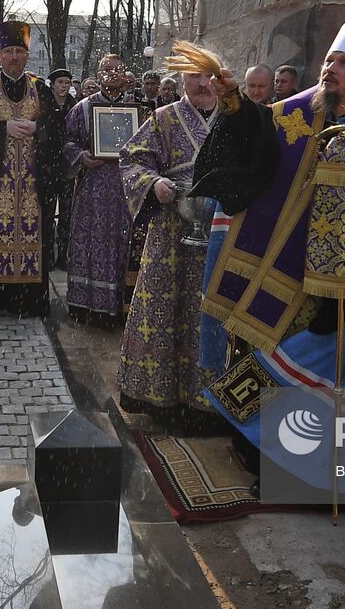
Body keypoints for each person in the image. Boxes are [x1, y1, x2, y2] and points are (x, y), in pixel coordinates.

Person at [192, 18, 345, 478]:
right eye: (328, 61)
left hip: (328, 284)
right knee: (255, 354)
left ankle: (284, 459)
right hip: (265, 261)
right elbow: (255, 139)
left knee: (297, 366)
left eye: (343, 63)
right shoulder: (297, 110)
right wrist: (235, 103)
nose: (329, 69)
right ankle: (248, 441)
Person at [117, 50, 224, 426]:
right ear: (182, 81)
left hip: (223, 231)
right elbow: (131, 158)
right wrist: (153, 182)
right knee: (166, 307)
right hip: (171, 230)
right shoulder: (163, 118)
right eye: (194, 76)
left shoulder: (234, 117)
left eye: (209, 75)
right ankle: (161, 397)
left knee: (210, 313)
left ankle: (211, 404)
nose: (202, 83)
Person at [0, 20, 64, 315]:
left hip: (33, 187)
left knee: (35, 240)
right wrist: (2, 129)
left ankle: (29, 301)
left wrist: (38, 128)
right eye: (8, 51)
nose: (14, 57)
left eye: (19, 51)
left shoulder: (41, 91)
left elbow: (58, 130)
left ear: (27, 55)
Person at [63, 55, 136, 322]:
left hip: (128, 189)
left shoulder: (137, 109)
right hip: (93, 187)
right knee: (91, 241)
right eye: (107, 70)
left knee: (122, 244)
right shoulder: (83, 108)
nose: (113, 74)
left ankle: (122, 306)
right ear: (99, 73)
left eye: (118, 69)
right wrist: (82, 156)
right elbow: (67, 142)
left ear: (125, 73)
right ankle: (88, 304)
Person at [41, 68, 76, 269]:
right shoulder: (44, 106)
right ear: (52, 85)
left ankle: (63, 255)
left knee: (66, 214)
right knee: (46, 214)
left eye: (67, 82)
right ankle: (46, 256)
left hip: (67, 167)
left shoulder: (73, 106)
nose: (64, 86)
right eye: (60, 82)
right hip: (47, 167)